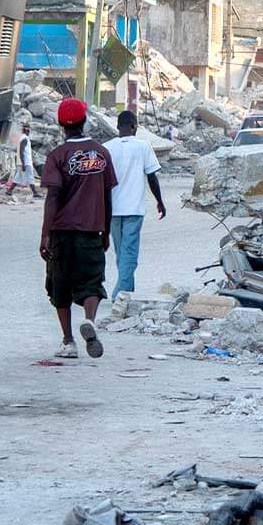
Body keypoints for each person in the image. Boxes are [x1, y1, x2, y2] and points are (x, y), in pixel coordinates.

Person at [40, 98, 117, 359]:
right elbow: (107, 196)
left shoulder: (57, 156)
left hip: (61, 232)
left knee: (59, 287)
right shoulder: (102, 154)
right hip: (91, 230)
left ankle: (68, 341)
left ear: (61, 124)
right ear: (85, 121)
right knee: (92, 283)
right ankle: (90, 320)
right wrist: (105, 231)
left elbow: (52, 197)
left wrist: (45, 235)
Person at [105, 110, 166, 304]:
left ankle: (121, 289)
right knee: (129, 252)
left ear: (117, 127)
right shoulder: (143, 146)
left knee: (121, 251)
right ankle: (121, 292)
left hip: (112, 210)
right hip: (134, 209)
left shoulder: (106, 148)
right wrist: (160, 201)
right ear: (134, 126)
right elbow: (152, 177)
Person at [6, 123, 40, 198]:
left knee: (18, 177)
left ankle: (9, 191)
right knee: (30, 177)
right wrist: (23, 163)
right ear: (27, 130)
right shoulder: (24, 139)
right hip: (26, 162)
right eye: (28, 130)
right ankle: (35, 193)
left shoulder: (22, 138)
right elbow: (21, 151)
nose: (29, 131)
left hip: (23, 162)